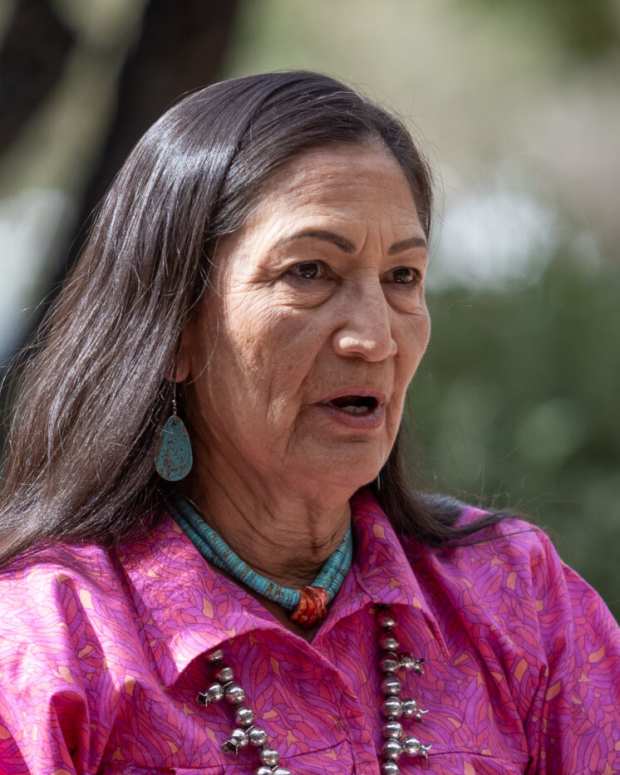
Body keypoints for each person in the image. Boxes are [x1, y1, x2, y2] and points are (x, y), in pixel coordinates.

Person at [0, 71, 617, 775]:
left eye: (403, 277)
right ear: (173, 331)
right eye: (310, 272)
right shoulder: (49, 646)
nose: (375, 337)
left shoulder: (517, 599)